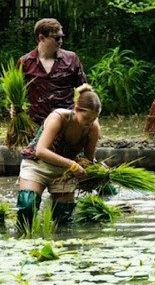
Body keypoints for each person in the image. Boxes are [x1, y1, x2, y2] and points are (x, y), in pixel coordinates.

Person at [16, 85, 102, 229]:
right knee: (27, 204)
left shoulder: (93, 128)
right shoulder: (59, 117)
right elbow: (41, 151)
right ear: (76, 109)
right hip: (38, 164)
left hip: (65, 172)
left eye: (94, 119)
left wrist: (97, 171)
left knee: (63, 216)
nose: (89, 123)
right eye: (86, 118)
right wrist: (72, 165)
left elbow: (88, 159)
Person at [18, 18, 87, 123]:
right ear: (42, 38)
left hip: (66, 121)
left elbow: (85, 90)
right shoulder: (25, 62)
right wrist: (15, 108)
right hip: (36, 123)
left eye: (62, 37)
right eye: (57, 38)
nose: (61, 41)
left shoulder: (71, 59)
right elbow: (17, 92)